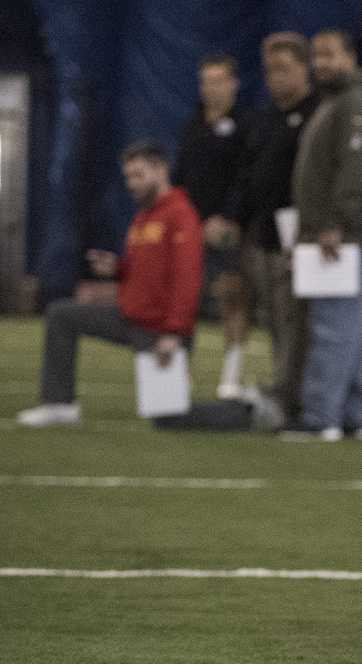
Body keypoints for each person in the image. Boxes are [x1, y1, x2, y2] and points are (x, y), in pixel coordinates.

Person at [18, 140, 203, 427]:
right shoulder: (143, 215)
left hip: (159, 332)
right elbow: (145, 273)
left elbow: (187, 279)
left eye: (138, 175)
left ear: (161, 170)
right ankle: (59, 405)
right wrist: (117, 270)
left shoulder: (181, 215)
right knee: (62, 315)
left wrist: (175, 333)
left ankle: (243, 412)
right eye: (128, 176)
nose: (131, 183)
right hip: (129, 319)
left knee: (169, 420)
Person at [287, 29, 362, 441]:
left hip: (347, 236)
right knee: (350, 329)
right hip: (341, 233)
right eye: (317, 56)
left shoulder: (356, 102)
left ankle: (319, 418)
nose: (321, 63)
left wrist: (335, 224)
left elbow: (355, 170)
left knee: (332, 325)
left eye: (330, 55)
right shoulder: (338, 100)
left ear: (351, 56)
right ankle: (359, 416)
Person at [220, 32, 318, 425]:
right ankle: (285, 391)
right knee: (276, 321)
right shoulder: (266, 119)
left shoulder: (316, 115)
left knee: (299, 323)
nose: (275, 78)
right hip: (266, 238)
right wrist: (234, 217)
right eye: (270, 70)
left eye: (284, 69)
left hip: (303, 240)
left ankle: (295, 398)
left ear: (304, 69)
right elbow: (249, 178)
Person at [173, 52, 252, 399]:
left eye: (219, 81)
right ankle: (178, 375)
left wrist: (229, 218)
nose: (212, 88)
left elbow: (246, 177)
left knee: (233, 300)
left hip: (230, 231)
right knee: (184, 301)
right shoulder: (191, 127)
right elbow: (181, 178)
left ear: (234, 84)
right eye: (206, 81)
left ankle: (231, 377)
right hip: (190, 230)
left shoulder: (246, 126)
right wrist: (187, 220)